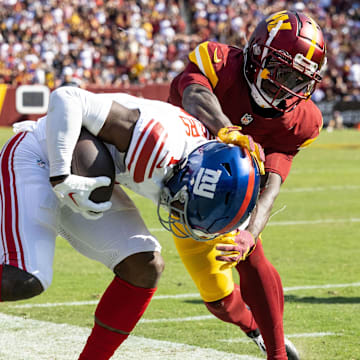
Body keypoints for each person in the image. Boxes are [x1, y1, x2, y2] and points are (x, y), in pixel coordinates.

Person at [0, 86, 263, 359]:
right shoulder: (156, 141)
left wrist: (246, 235)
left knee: (143, 266)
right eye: (184, 202)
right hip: (39, 157)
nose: (178, 209)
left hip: (88, 180)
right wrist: (60, 175)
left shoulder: (212, 166)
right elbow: (66, 97)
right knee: (26, 277)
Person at [168, 10, 327, 360]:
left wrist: (250, 232)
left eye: (299, 79)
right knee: (220, 301)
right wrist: (226, 128)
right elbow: (193, 93)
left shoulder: (301, 120)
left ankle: (276, 354)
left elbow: (271, 184)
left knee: (246, 259)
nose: (288, 87)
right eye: (282, 72)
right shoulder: (220, 62)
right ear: (257, 55)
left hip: (219, 192)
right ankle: (251, 325)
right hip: (168, 164)